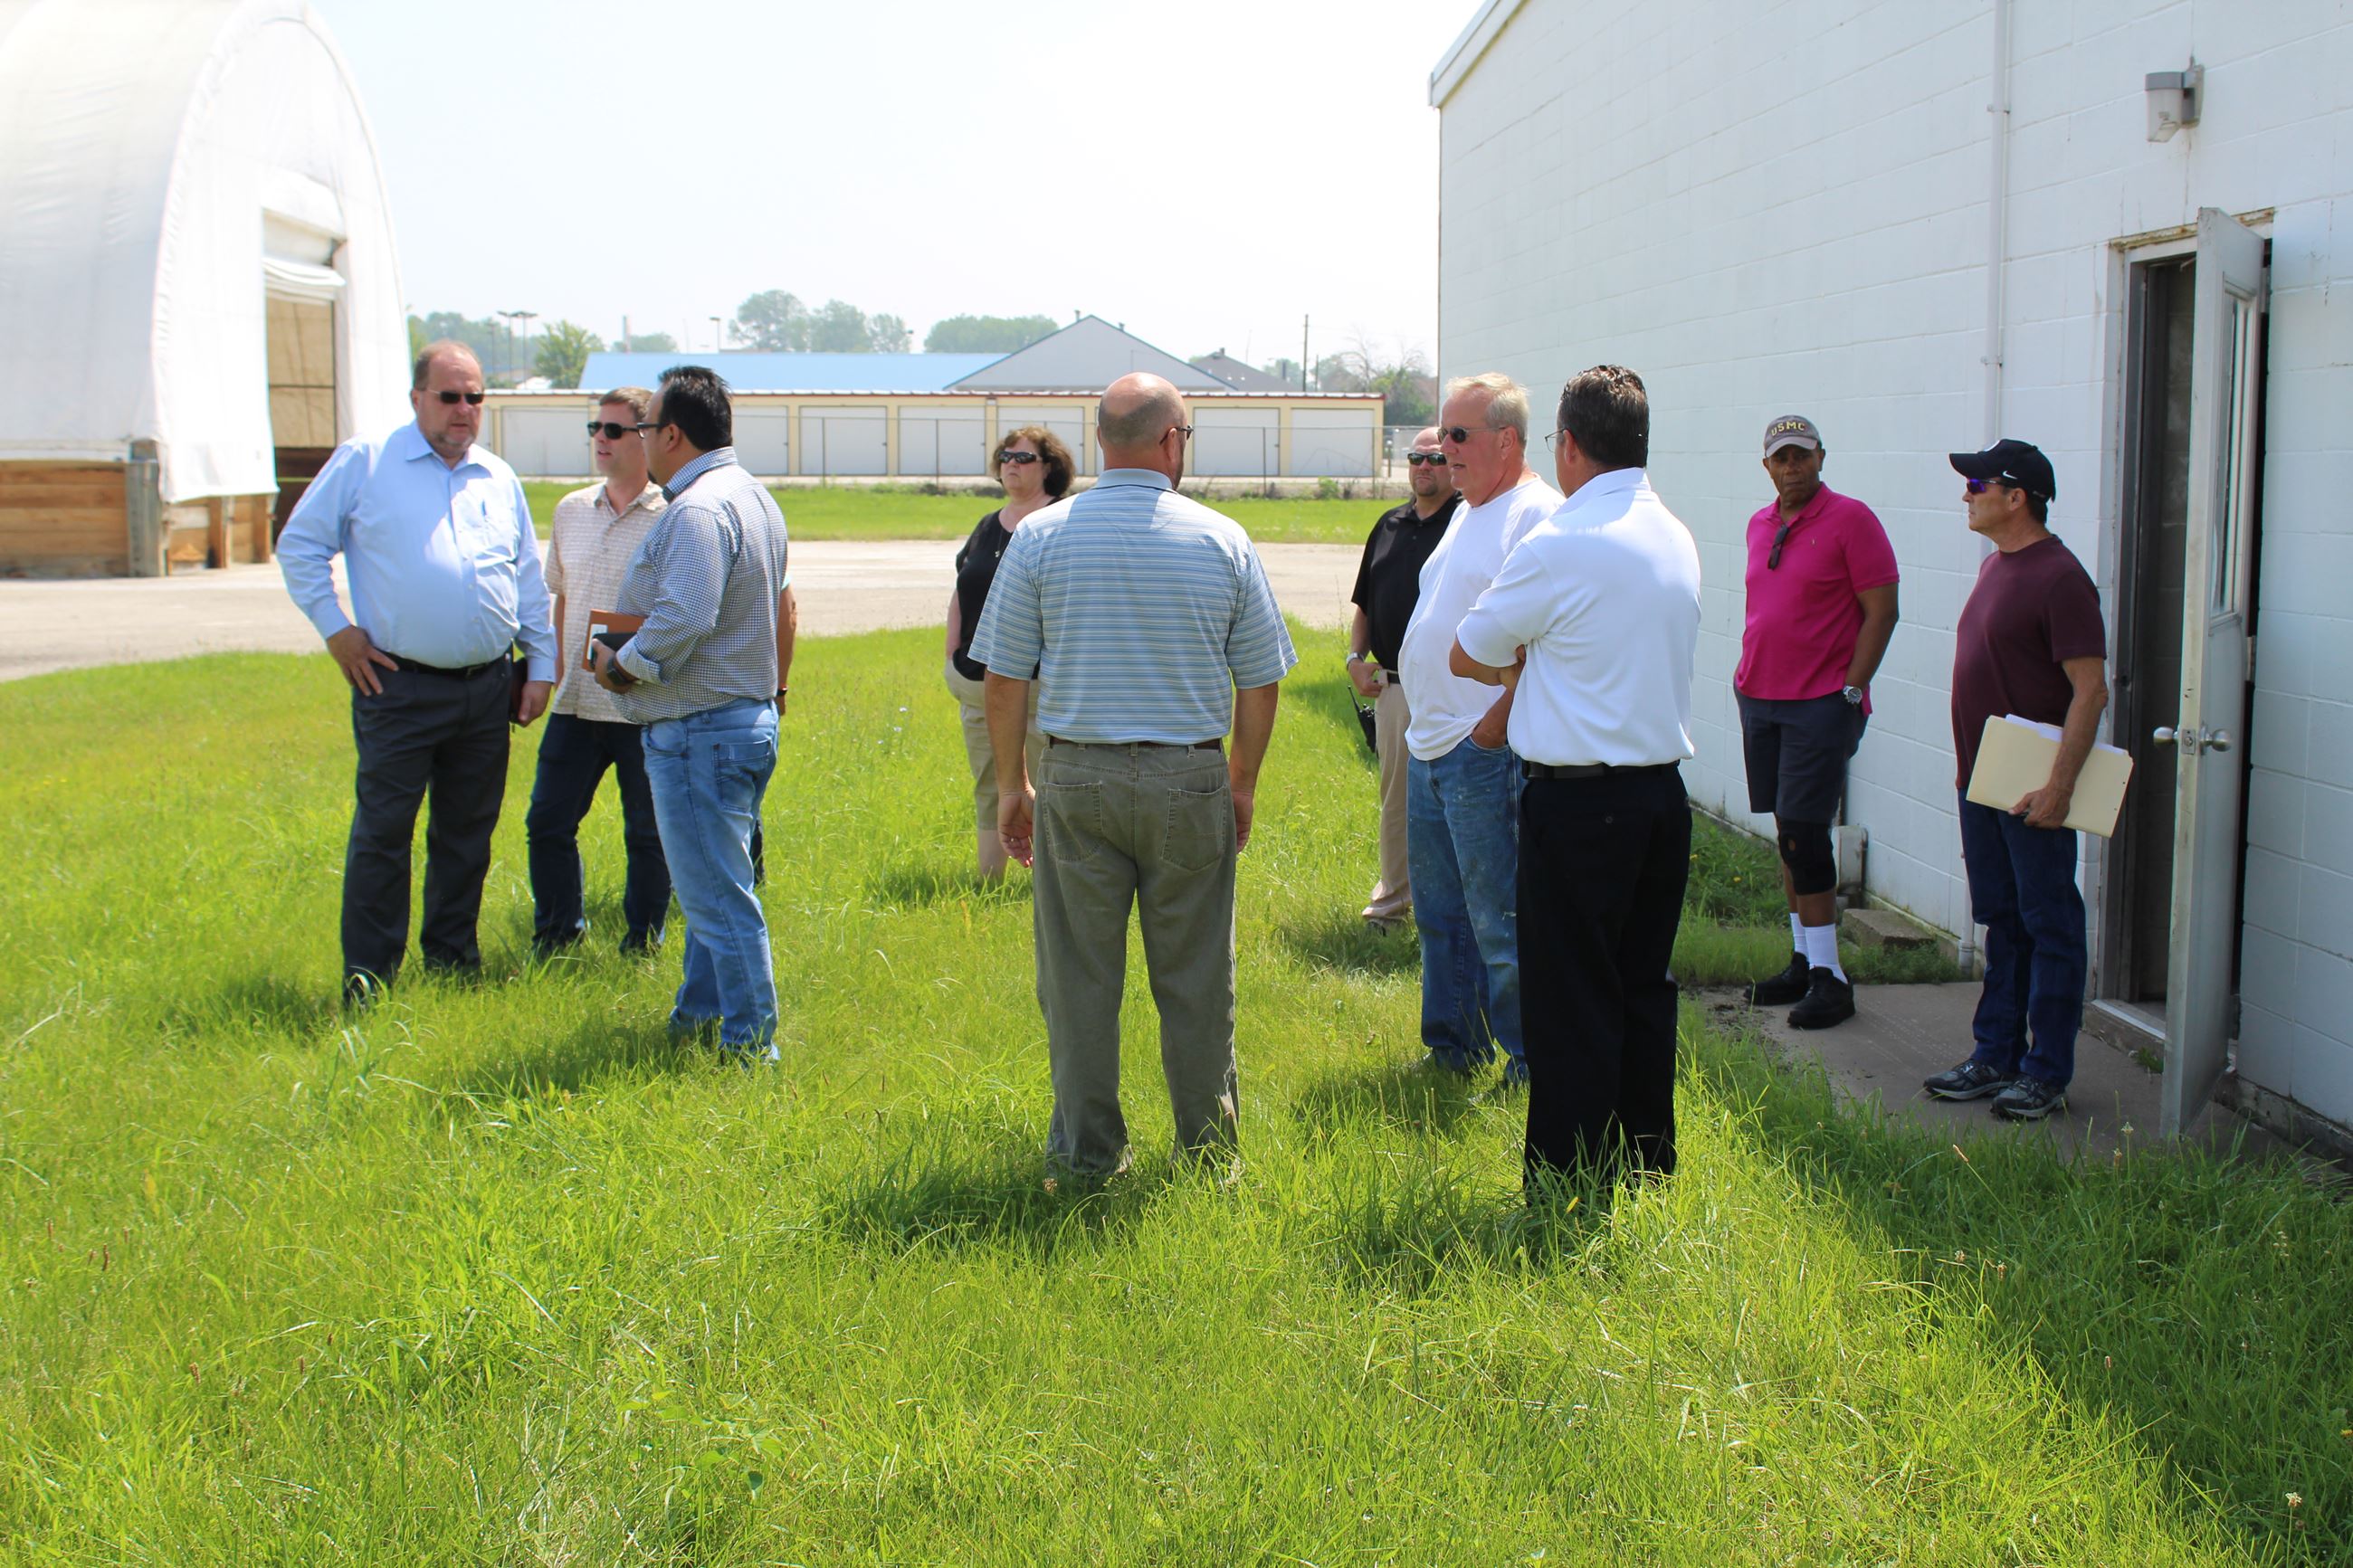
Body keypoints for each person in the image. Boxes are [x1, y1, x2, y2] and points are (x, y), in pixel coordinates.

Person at [968, 372, 1296, 1176]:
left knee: (1078, 980)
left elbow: (1004, 680)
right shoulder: (1222, 538)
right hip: (1189, 775)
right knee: (1195, 979)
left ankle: (1087, 1154)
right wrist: (1242, 782)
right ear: (1172, 441)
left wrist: (1013, 785)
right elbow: (1260, 680)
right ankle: (1208, 1156)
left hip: (1077, 775)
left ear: (1102, 442)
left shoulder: (1040, 537)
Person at [1452, 365, 1700, 1192]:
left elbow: (1469, 649)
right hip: (1661, 794)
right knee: (1642, 986)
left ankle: (1566, 1174)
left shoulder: (1559, 542)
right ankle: (1643, 1160)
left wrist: (1530, 657)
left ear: (1567, 445)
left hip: (1580, 797)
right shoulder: (1674, 530)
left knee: (1569, 992)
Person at [279, 340, 555, 1003]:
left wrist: (540, 663)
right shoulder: (368, 461)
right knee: (384, 834)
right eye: (449, 396)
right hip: (396, 685)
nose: (463, 410)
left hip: (488, 688)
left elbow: (524, 577)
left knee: (467, 834)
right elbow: (300, 545)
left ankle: (454, 961)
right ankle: (370, 977)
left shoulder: (498, 477)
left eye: (475, 397)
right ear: (416, 398)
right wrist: (338, 631)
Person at [589, 366, 796, 1061]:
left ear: (671, 434)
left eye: (643, 427)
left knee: (717, 898)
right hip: (732, 722)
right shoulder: (752, 496)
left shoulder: (698, 508)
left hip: (701, 730)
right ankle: (699, 1015)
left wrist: (624, 664)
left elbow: (684, 614)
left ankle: (748, 1046)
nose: (638, 440)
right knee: (713, 883)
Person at [1923, 440, 2108, 1122]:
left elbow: (2090, 691)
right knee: (2004, 923)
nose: (1966, 493)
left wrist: (2059, 788)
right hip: (1986, 785)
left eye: (1977, 481)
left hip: (2033, 791)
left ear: (2016, 495)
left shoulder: (2060, 577)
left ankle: (2046, 1070)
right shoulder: (1998, 567)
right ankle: (1994, 1053)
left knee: (2049, 923)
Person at [1394, 374, 1563, 1084]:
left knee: (1499, 921)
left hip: (1478, 748)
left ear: (1507, 440)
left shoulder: (1536, 514)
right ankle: (1455, 1047)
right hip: (1432, 743)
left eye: (1459, 437)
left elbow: (1538, 646)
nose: (1444, 449)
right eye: (1442, 435)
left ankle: (1529, 1061)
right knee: (1439, 915)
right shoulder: (1471, 507)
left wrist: (1491, 730)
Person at [1734, 414, 1900, 1030]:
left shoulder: (1852, 520)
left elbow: (1882, 611)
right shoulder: (1760, 523)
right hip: (1762, 697)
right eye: (1781, 458)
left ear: (1821, 457)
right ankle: (1804, 959)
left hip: (1821, 701)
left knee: (1805, 833)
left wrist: (1852, 688)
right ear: (1767, 465)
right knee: (1787, 834)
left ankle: (1833, 977)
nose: (1792, 467)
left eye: (1802, 455)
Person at [527, 387, 672, 957]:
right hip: (576, 703)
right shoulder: (570, 509)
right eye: (595, 428)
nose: (600, 440)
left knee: (646, 833)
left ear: (645, 438)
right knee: (547, 823)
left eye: (613, 430)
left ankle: (642, 940)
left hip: (641, 705)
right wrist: (558, 668)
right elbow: (561, 596)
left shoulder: (673, 514)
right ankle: (557, 935)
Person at [943, 426, 1072, 878]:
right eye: (1006, 457)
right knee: (991, 784)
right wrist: (951, 654)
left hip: (1037, 687)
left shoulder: (1062, 522)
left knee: (1045, 786)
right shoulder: (986, 525)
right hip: (976, 682)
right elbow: (962, 590)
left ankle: (1051, 881)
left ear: (1049, 467)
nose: (1012, 465)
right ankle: (990, 882)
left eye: (1024, 458)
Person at [1348, 425, 1460, 930]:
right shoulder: (1388, 524)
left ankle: (1453, 913)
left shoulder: (1465, 524)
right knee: (1396, 801)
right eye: (1417, 458)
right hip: (1393, 687)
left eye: (1436, 459)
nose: (1424, 467)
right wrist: (1354, 659)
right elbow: (1365, 603)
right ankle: (1392, 906)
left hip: (1455, 688)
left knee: (1455, 796)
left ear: (1453, 466)